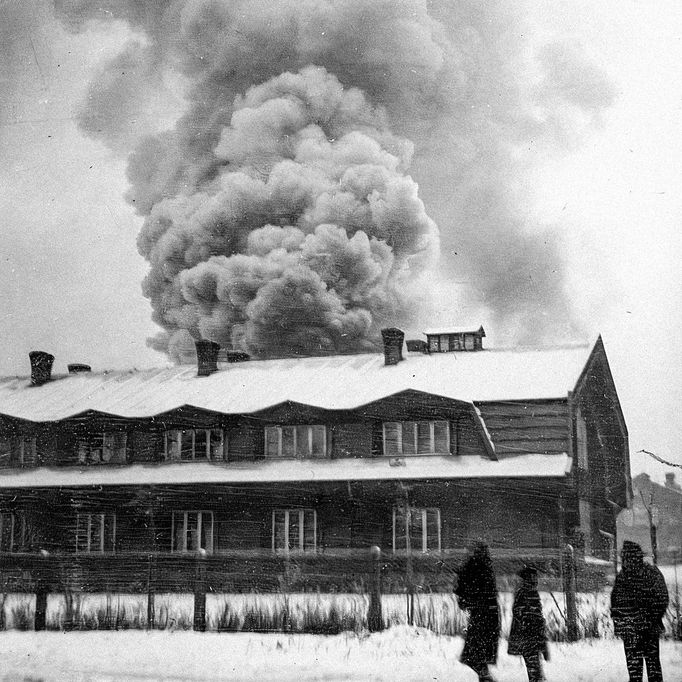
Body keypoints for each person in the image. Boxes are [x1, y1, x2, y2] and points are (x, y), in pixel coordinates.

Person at [610, 540, 669, 682]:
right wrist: (624, 622)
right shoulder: (626, 576)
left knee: (644, 670)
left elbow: (661, 600)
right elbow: (616, 604)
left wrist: (643, 620)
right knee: (644, 669)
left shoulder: (641, 575)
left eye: (626, 558)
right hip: (638, 630)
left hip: (641, 630)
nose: (625, 561)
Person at [455, 542, 500, 681]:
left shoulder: (478, 566)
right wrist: (467, 600)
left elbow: (461, 587)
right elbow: (462, 586)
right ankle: (483, 673)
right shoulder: (476, 567)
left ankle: (483, 674)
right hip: (484, 611)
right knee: (478, 649)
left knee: (478, 649)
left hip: (485, 611)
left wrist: (465, 600)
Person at [508, 565, 549, 682]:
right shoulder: (525, 593)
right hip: (528, 633)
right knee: (532, 660)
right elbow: (520, 612)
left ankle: (537, 677)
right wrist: (530, 623)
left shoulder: (529, 592)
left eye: (535, 577)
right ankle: (536, 678)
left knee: (533, 660)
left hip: (531, 633)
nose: (535, 580)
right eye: (532, 577)